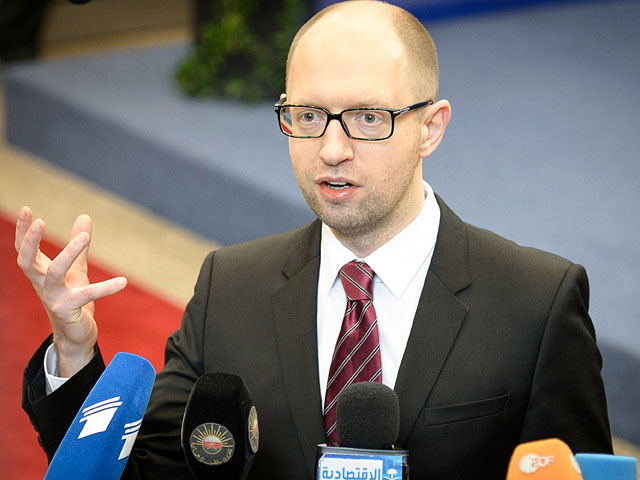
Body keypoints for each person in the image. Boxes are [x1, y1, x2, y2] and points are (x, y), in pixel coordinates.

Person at [16, 1, 612, 478]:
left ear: (430, 128)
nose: (331, 149)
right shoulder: (231, 287)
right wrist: (74, 350)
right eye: (308, 116)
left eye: (368, 118)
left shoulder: (536, 302)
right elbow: (147, 471)